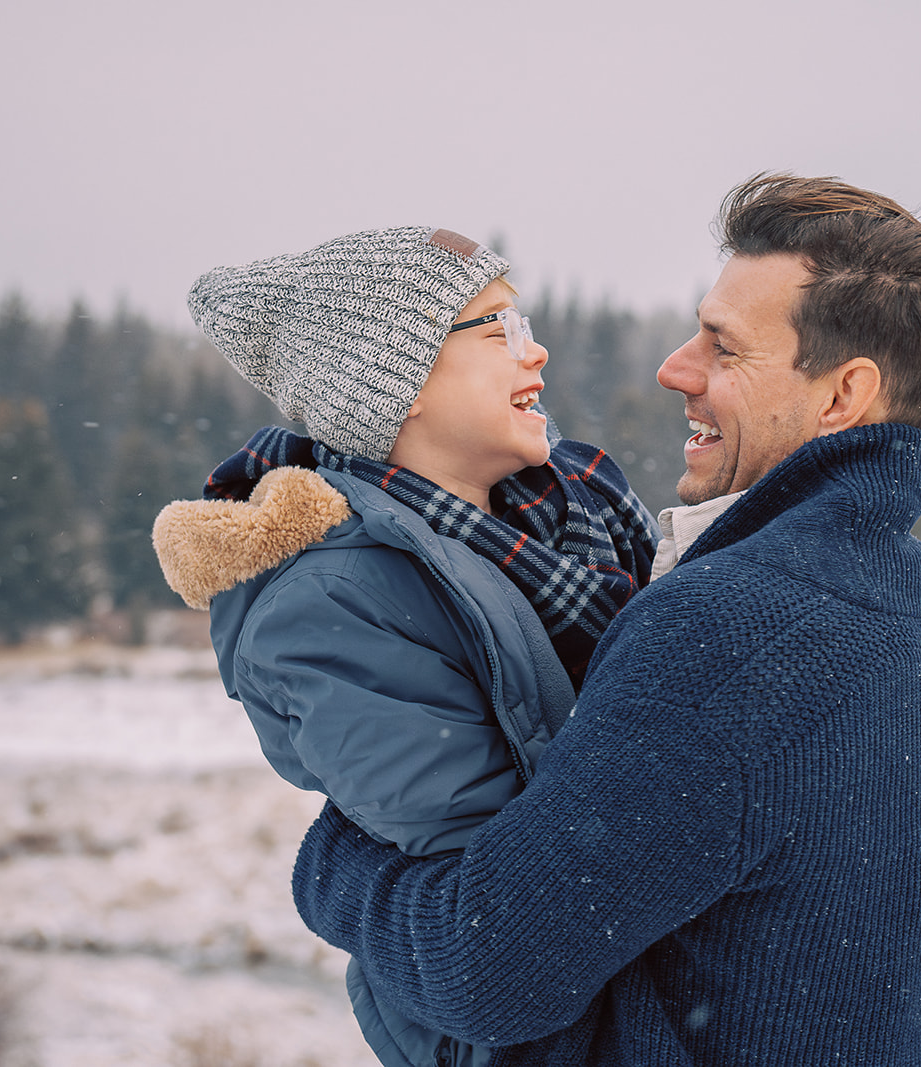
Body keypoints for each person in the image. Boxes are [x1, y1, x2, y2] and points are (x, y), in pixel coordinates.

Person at [289, 174, 921, 1065]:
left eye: (723, 349)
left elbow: (485, 968)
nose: (675, 370)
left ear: (842, 395)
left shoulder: (743, 623)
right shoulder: (867, 581)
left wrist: (332, 857)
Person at [151, 225, 656, 1067]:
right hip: (525, 1046)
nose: (535, 355)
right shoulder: (331, 603)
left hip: (637, 1002)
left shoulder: (575, 518)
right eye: (498, 330)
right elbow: (504, 900)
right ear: (399, 383)